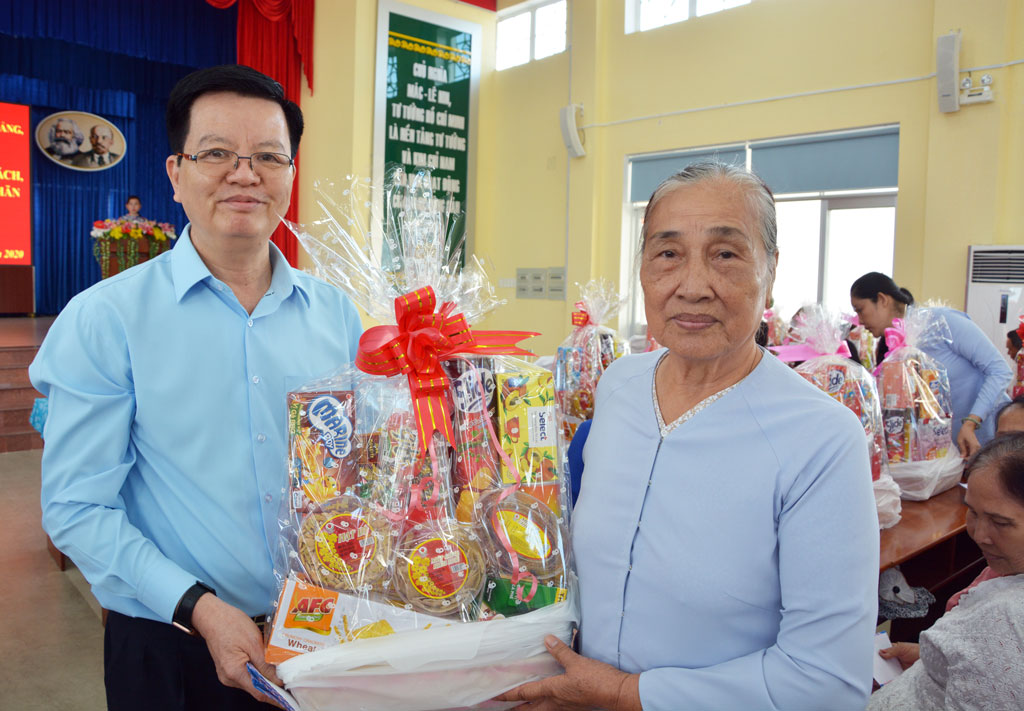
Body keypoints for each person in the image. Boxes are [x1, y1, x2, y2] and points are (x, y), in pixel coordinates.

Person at [29, 64, 363, 710]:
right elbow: (76, 506)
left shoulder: (338, 316)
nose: (245, 173)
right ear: (175, 174)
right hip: (169, 647)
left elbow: (356, 472)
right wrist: (200, 607)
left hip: (317, 635)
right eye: (217, 154)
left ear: (291, 176)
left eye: (269, 156)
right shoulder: (109, 318)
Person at [500, 162, 879, 710]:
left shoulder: (821, 439)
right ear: (643, 271)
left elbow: (826, 683)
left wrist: (625, 694)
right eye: (668, 254)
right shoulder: (620, 385)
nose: (693, 286)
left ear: (770, 272)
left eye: (726, 254)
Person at [868, 434, 1024, 710]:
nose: (978, 535)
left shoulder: (1008, 619)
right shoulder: (1004, 575)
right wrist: (932, 661)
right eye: (972, 511)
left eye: (1000, 522)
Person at [850, 272, 1011, 457]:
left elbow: (1000, 371)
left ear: (882, 299)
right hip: (952, 450)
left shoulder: (941, 322)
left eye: (860, 309)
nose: (860, 321)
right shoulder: (894, 348)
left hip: (993, 435)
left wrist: (971, 422)